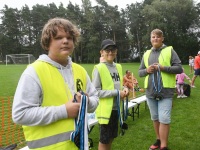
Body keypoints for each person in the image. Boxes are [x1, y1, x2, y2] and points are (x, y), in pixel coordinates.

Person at [12, 18, 99, 150]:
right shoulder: (34, 71)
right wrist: (64, 111)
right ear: (47, 43)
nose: (65, 41)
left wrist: (87, 103)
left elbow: (95, 99)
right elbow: (20, 114)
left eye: (69, 37)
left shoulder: (79, 70)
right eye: (59, 37)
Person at [138, 29, 182, 150]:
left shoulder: (170, 50)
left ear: (162, 38)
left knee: (164, 118)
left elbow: (179, 68)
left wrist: (163, 68)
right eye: (153, 37)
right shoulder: (146, 54)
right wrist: (147, 70)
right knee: (155, 118)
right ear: (150, 39)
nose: (155, 39)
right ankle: (158, 140)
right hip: (151, 92)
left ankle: (163, 146)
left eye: (158, 37)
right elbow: (140, 72)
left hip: (166, 92)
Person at [92, 39, 129, 150]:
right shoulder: (99, 68)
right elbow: (96, 92)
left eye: (113, 50)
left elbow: (118, 85)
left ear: (116, 52)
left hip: (116, 109)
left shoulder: (118, 67)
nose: (110, 52)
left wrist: (125, 88)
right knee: (104, 140)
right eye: (107, 50)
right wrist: (117, 93)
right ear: (101, 52)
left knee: (111, 137)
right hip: (105, 111)